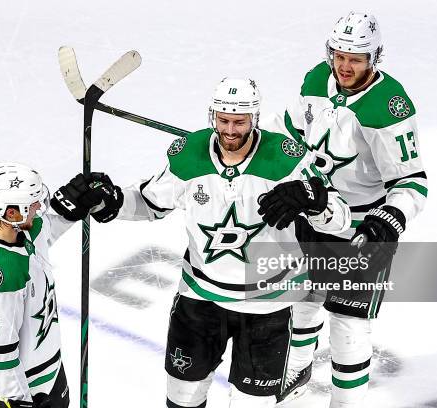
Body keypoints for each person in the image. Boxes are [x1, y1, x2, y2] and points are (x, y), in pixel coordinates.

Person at [80, 77, 351, 407]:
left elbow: (340, 219)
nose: (231, 130)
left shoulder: (287, 159)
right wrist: (110, 202)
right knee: (182, 399)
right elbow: (150, 203)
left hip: (268, 304)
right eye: (223, 121)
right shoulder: (188, 156)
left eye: (239, 122)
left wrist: (314, 199)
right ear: (212, 117)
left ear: (254, 118)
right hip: (199, 300)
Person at [263, 11, 428, 408]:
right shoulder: (315, 78)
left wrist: (391, 216)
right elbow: (290, 131)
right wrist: (255, 144)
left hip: (358, 227)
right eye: (339, 55)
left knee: (349, 326)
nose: (344, 65)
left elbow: (413, 181)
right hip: (312, 211)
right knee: (301, 298)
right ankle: (298, 368)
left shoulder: (389, 108)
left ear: (374, 58)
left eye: (355, 58)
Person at [0, 162, 122, 407]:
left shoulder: (11, 228)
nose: (39, 207)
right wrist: (18, 401)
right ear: (11, 212)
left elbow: (44, 232)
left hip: (46, 366)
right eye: (32, 204)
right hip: (22, 385)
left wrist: (73, 207)